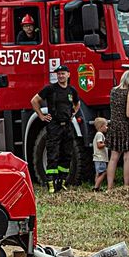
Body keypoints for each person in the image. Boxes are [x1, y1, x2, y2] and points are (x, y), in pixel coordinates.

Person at [31, 64, 81, 193]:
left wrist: (72, 114)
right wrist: (41, 116)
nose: (60, 76)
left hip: (67, 126)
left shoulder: (71, 90)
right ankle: (51, 184)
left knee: (67, 155)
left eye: (63, 73)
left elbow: (77, 103)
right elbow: (34, 101)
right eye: (58, 74)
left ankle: (62, 182)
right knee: (53, 155)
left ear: (68, 75)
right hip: (54, 126)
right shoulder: (50, 89)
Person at [105, 69, 129, 190]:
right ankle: (126, 185)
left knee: (113, 158)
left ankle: (109, 187)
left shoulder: (113, 91)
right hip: (127, 126)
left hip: (114, 126)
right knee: (127, 157)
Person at [92, 117, 109, 191]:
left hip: (98, 158)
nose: (107, 127)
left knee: (98, 173)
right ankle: (96, 187)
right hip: (100, 158)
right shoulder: (99, 134)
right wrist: (107, 143)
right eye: (106, 126)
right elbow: (99, 145)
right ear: (101, 126)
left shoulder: (98, 134)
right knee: (103, 172)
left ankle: (97, 187)